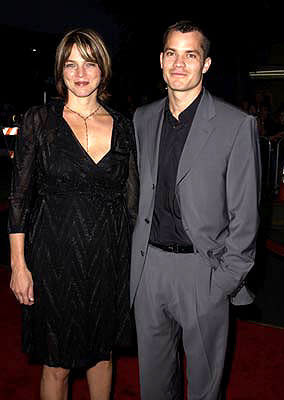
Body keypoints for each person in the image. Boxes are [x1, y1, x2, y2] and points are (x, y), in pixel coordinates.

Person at [130, 20, 261, 400]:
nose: (179, 63)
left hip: (203, 272)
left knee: (205, 390)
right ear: (160, 59)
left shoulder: (236, 125)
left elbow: (246, 217)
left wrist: (221, 283)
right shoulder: (143, 119)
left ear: (205, 64)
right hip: (149, 269)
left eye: (191, 55)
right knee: (153, 386)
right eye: (172, 53)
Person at [8, 28, 138, 400]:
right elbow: (19, 199)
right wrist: (19, 265)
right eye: (70, 64)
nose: (80, 73)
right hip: (53, 259)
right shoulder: (39, 121)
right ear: (60, 71)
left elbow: (131, 204)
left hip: (108, 261)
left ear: (103, 68)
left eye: (89, 62)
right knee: (56, 363)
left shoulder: (124, 127)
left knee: (103, 357)